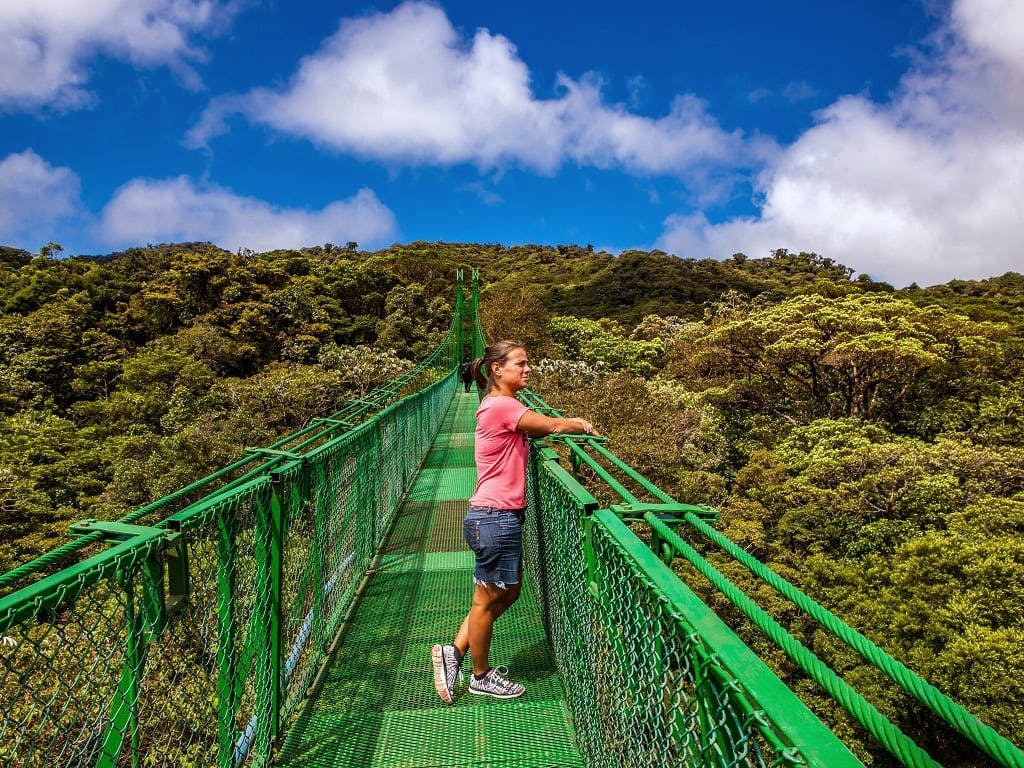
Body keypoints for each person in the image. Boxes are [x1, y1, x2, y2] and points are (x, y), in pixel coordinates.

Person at [432, 340, 597, 702]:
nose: (528, 369)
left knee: (507, 593)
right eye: (520, 363)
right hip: (495, 518)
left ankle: (454, 653)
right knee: (486, 600)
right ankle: (480, 675)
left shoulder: (501, 406)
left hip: (498, 517)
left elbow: (534, 428)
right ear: (497, 369)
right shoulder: (501, 406)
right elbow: (548, 425)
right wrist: (577, 424)